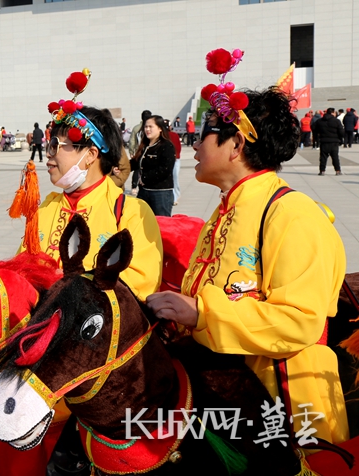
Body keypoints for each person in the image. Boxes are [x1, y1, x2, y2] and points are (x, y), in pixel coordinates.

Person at [146, 81, 349, 445]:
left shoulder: (291, 213)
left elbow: (300, 320)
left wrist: (202, 314)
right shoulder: (229, 209)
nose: (195, 143)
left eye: (205, 134)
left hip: (282, 400)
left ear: (236, 145)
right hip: (225, 393)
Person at [11, 71, 163, 476]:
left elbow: (136, 292)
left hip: (99, 373)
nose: (49, 154)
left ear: (90, 154)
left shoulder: (130, 212)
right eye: (50, 144)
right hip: (43, 361)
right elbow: (24, 266)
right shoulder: (46, 207)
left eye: (60, 146)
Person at [130, 115, 175, 216]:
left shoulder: (166, 146)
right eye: (146, 127)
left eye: (151, 127)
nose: (147, 129)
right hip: (144, 192)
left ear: (160, 128)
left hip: (160, 194)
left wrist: (145, 178)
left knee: (161, 225)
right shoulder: (145, 146)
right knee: (140, 223)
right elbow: (136, 162)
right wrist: (120, 168)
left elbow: (165, 169)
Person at [313, 107, 344, 175]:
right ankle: (338, 171)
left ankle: (322, 171)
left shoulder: (320, 121)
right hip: (334, 141)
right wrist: (341, 138)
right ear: (332, 113)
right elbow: (341, 131)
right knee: (335, 157)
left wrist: (317, 136)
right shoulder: (336, 121)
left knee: (323, 157)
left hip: (324, 141)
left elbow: (313, 127)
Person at [128, 109, 152, 195]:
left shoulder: (136, 128)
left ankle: (134, 187)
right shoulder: (152, 128)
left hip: (139, 152)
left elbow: (132, 141)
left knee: (137, 169)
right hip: (149, 152)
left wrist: (131, 151)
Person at [168, 123, 182, 206]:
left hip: (174, 159)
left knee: (173, 178)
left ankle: (175, 195)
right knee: (174, 178)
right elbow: (179, 147)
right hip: (175, 158)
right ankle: (175, 196)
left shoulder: (171, 135)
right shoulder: (173, 135)